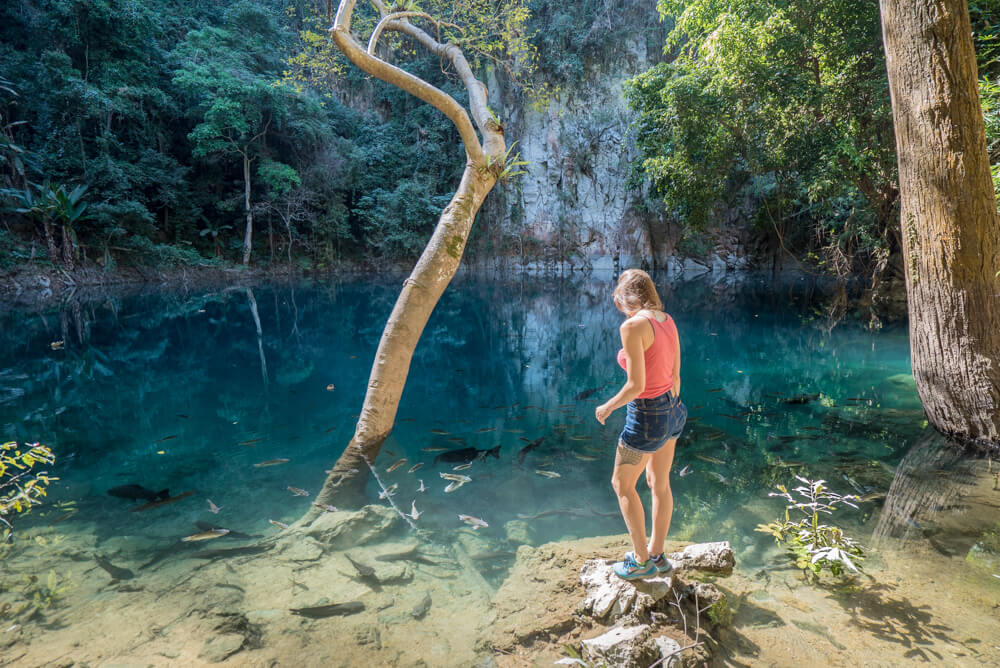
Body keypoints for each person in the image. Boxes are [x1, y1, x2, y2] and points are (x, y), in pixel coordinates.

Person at [595, 269, 687, 580]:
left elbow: (636, 385)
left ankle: (640, 560)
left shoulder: (633, 326)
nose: (620, 308)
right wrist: (668, 411)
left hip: (647, 415)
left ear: (629, 298)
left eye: (620, 301)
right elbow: (675, 375)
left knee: (622, 484)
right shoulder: (667, 320)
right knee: (659, 483)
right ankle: (658, 554)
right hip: (673, 409)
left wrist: (607, 407)